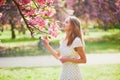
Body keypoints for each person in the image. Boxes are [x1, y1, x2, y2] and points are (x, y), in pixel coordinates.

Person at [42, 16, 87, 80]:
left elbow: (84, 60)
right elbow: (58, 56)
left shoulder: (76, 41)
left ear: (72, 26)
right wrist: (47, 45)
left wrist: (68, 59)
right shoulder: (63, 40)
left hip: (73, 74)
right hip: (64, 73)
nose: (64, 23)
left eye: (66, 22)